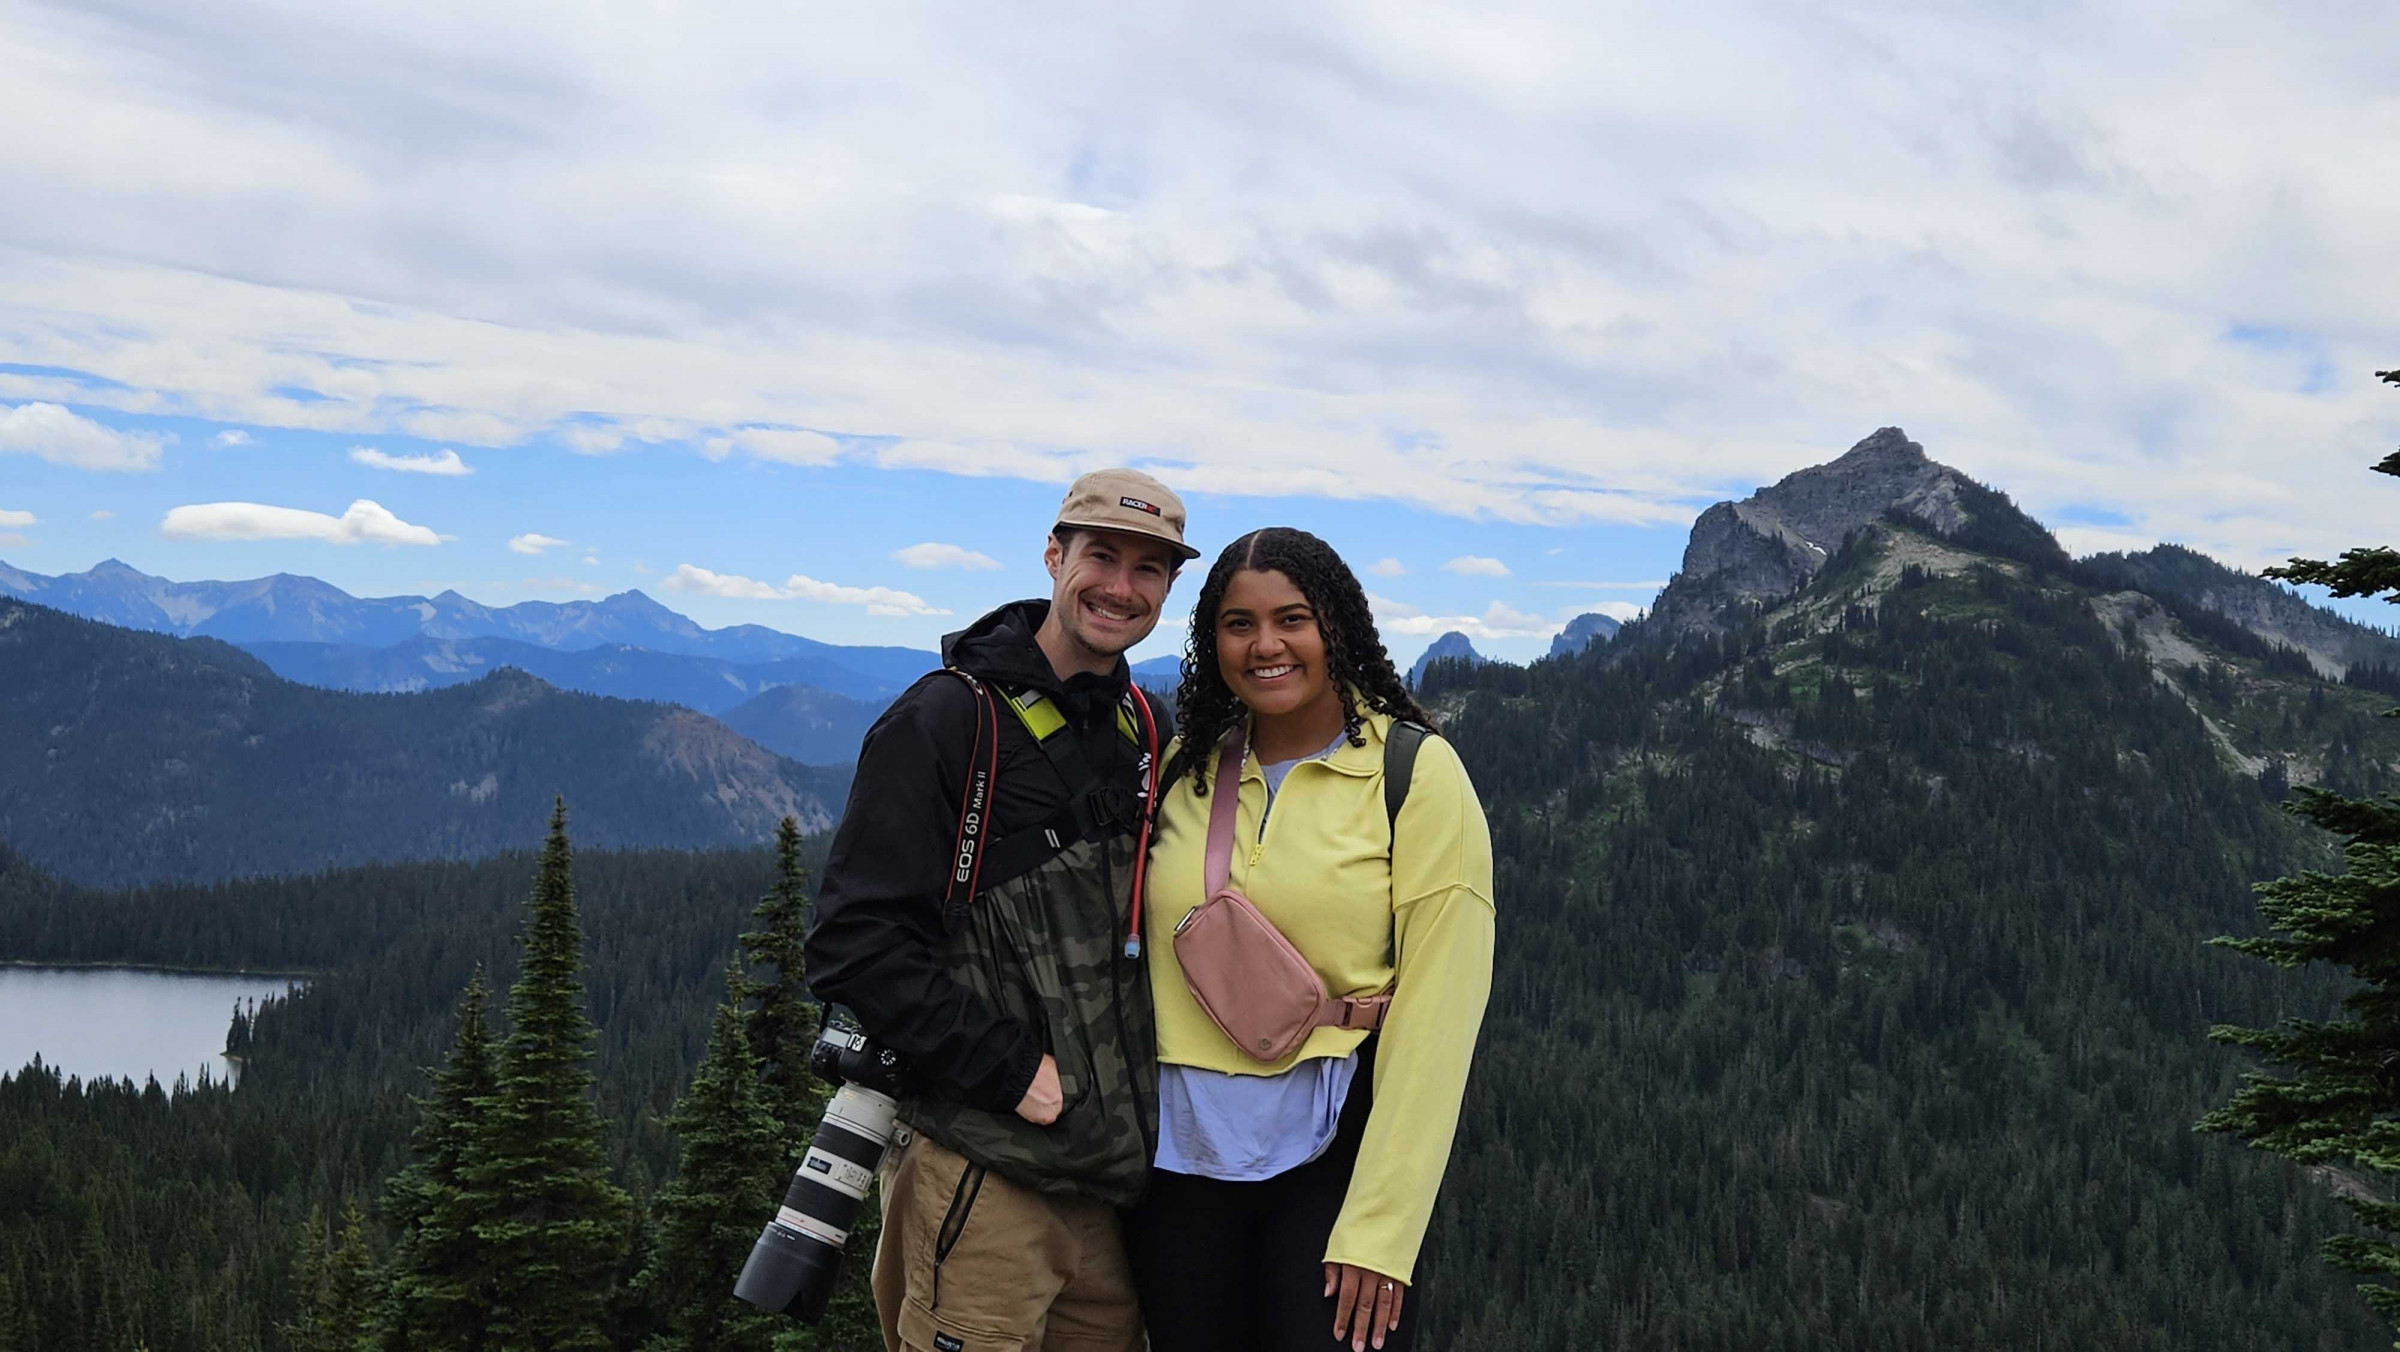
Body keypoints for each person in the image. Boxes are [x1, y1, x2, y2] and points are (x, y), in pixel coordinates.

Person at [805, 468, 1197, 1352]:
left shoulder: (1145, 724)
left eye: (1150, 570)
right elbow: (852, 942)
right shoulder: (948, 719)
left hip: (1101, 1191)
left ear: (1170, 588)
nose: (1121, 588)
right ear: (1054, 556)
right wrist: (1008, 1068)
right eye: (1101, 556)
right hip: (980, 1173)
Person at [1126, 527, 1495, 1352]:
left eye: (1292, 618)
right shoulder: (1189, 763)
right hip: (1176, 1166)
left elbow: (1440, 1016)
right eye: (1237, 623)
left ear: (1338, 626)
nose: (1266, 646)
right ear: (1208, 639)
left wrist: (1382, 1230)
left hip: (1333, 1155)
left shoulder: (1418, 775)